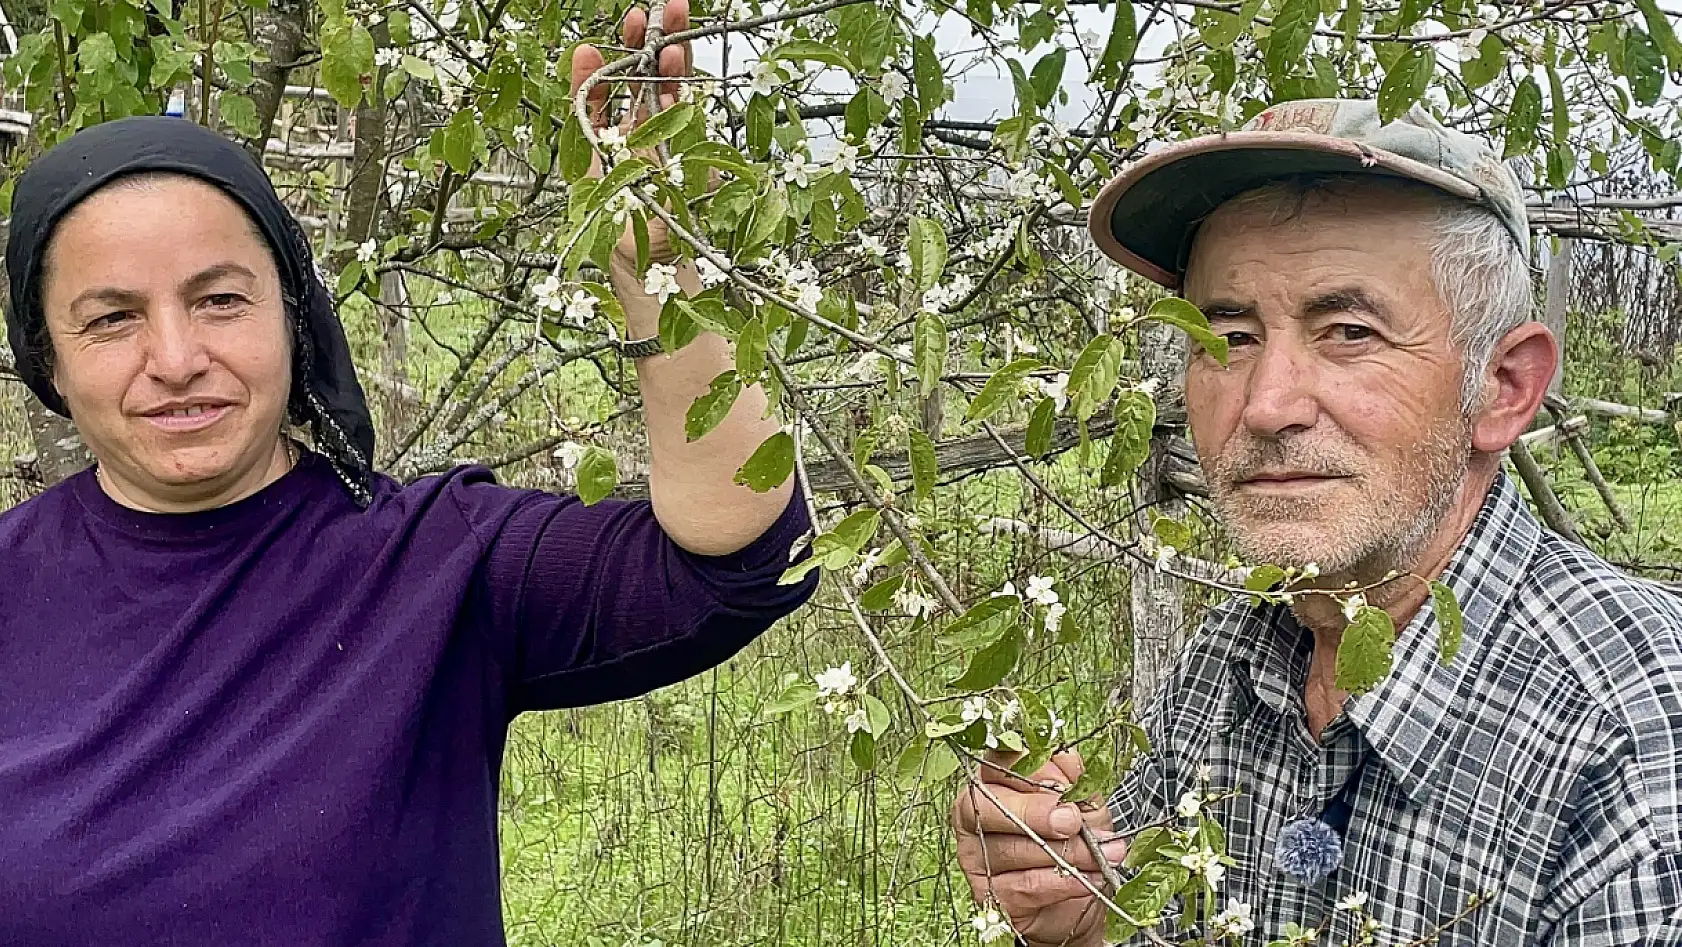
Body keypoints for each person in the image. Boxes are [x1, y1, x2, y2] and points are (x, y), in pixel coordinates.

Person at [0, 3, 815, 944]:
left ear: (293, 317)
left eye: (220, 299)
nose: (177, 356)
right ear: (48, 359)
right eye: (112, 319)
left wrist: (654, 264)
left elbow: (745, 556)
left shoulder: (434, 566)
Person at [953, 99, 1682, 945]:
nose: (1266, 405)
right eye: (1227, 335)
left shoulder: (1633, 740)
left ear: (1503, 387)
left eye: (1348, 331)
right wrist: (1084, 920)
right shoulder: (1230, 659)